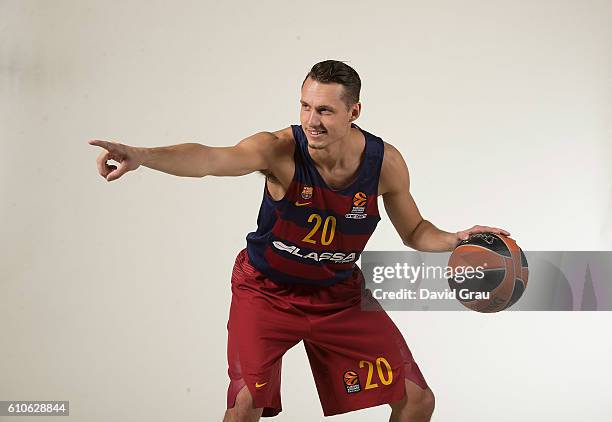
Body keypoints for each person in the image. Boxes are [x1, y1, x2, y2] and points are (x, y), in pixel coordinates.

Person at [89, 60, 509, 421]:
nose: (312, 120)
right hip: (266, 292)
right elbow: (209, 159)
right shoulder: (279, 150)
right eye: (305, 106)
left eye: (325, 110)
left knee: (417, 400)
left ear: (354, 111)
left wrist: (456, 239)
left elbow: (415, 231)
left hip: (337, 296)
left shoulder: (386, 164)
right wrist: (144, 156)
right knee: (245, 403)